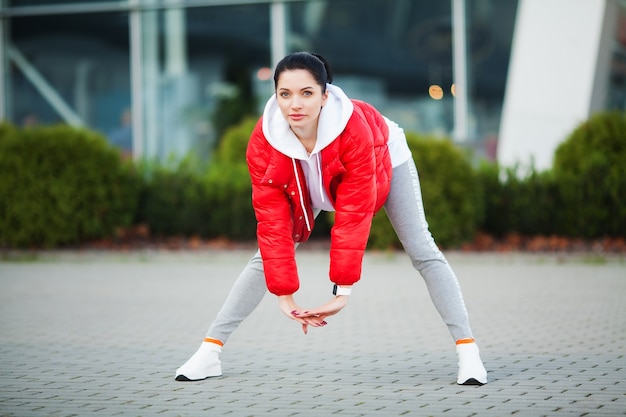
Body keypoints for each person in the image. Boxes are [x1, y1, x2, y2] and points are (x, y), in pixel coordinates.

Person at [175, 52, 488, 386]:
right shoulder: (264, 142)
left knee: (422, 249)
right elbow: (272, 224)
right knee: (263, 257)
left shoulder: (353, 129)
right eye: (285, 94)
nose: (295, 104)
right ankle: (209, 352)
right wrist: (284, 295)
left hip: (381, 161)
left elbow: (353, 214)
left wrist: (343, 292)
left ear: (325, 95)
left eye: (307, 93)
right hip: (306, 172)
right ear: (276, 95)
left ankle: (468, 352)